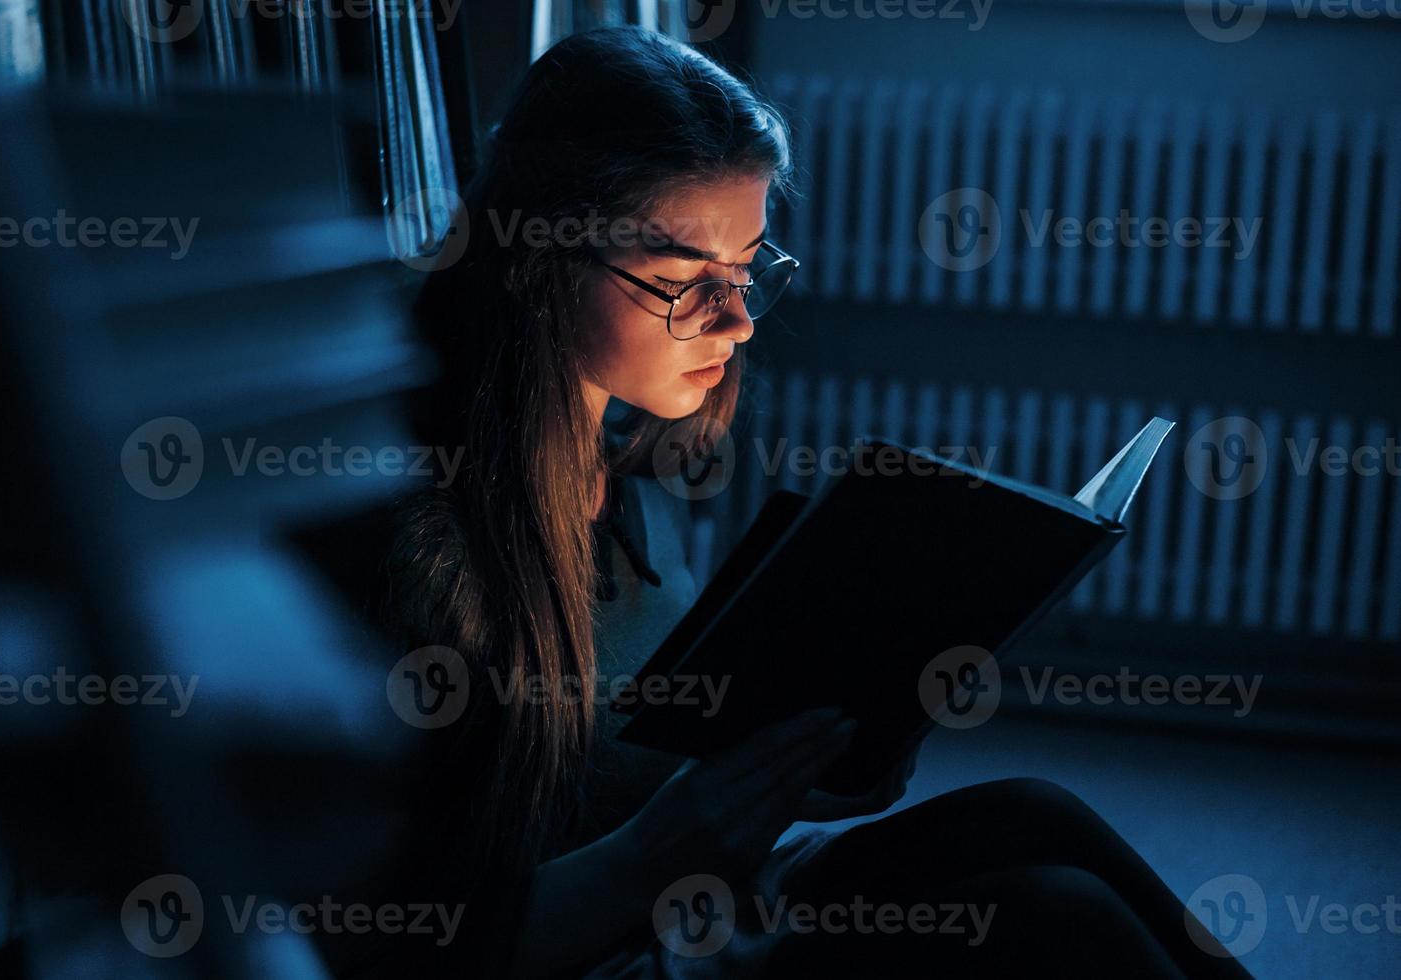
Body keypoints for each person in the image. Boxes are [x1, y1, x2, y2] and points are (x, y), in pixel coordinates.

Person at [354, 25, 1255, 980]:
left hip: (689, 902)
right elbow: (394, 952)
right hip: (599, 948)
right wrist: (652, 856)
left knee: (1036, 815)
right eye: (683, 282)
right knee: (1055, 921)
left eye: (746, 272)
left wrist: (804, 766)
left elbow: (637, 767)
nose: (737, 323)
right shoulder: (424, 546)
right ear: (538, 260)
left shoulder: (631, 474)